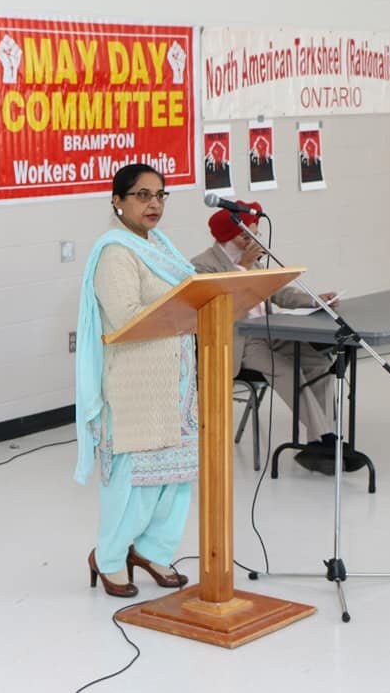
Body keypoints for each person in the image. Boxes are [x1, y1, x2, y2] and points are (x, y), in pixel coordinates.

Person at [75, 164, 197, 597]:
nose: (154, 204)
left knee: (174, 478)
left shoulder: (159, 246)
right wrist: (186, 309)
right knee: (133, 480)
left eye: (160, 195)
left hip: (175, 383)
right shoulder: (115, 252)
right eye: (143, 195)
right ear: (117, 201)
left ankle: (153, 551)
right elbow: (126, 316)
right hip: (135, 383)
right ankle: (109, 558)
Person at [191, 205, 342, 474]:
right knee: (286, 370)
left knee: (320, 364)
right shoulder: (202, 265)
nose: (253, 241)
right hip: (240, 341)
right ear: (227, 236)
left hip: (270, 332)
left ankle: (316, 442)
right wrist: (243, 266)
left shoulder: (254, 262)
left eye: (255, 235)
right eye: (246, 236)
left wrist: (315, 300)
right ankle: (327, 439)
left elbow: (279, 293)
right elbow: (220, 306)